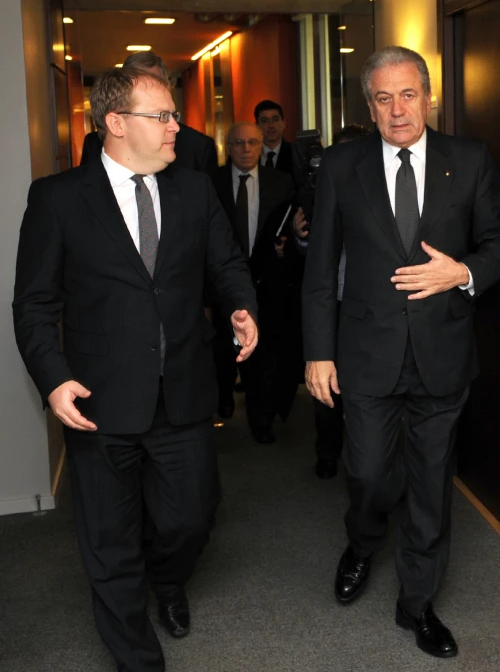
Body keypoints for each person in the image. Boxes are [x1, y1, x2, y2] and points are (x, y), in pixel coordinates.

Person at [13, 66, 258, 672]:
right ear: (116, 123)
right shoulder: (58, 198)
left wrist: (242, 307)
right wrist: (51, 377)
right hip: (98, 400)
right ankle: (137, 660)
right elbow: (36, 302)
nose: (179, 127)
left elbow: (226, 264)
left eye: (174, 114)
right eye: (165, 116)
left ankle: (168, 581)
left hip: (184, 394)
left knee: (192, 518)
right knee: (108, 542)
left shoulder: (195, 190)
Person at [302, 46, 500, 659]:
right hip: (365, 353)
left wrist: (463, 273)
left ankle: (417, 604)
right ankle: (363, 540)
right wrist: (318, 352)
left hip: (443, 354)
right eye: (382, 97)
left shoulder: (469, 160)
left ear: (428, 96)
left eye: (407, 95)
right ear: (368, 107)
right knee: (370, 475)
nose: (397, 110)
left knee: (430, 483)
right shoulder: (342, 166)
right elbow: (320, 269)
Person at [293, 124, 370, 479]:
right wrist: (300, 237)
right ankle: (328, 453)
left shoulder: (381, 195)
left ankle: (369, 463)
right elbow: (312, 257)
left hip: (372, 309)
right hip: (334, 304)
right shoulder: (323, 191)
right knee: (327, 386)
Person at [213, 122, 296, 443]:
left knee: (264, 358)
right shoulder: (211, 184)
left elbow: (291, 233)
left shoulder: (282, 183)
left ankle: (261, 422)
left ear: (262, 146)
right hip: (222, 289)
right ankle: (223, 396)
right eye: (238, 143)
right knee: (223, 351)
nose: (246, 149)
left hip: (267, 286)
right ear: (227, 147)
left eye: (252, 142)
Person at [81, 51, 218, 179]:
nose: (174, 127)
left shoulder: (197, 151)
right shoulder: (65, 194)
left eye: (154, 81)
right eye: (137, 82)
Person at [254, 99, 294, 176]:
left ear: (283, 124)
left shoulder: (296, 154)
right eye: (264, 121)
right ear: (257, 126)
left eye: (275, 119)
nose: (271, 125)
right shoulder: (249, 154)